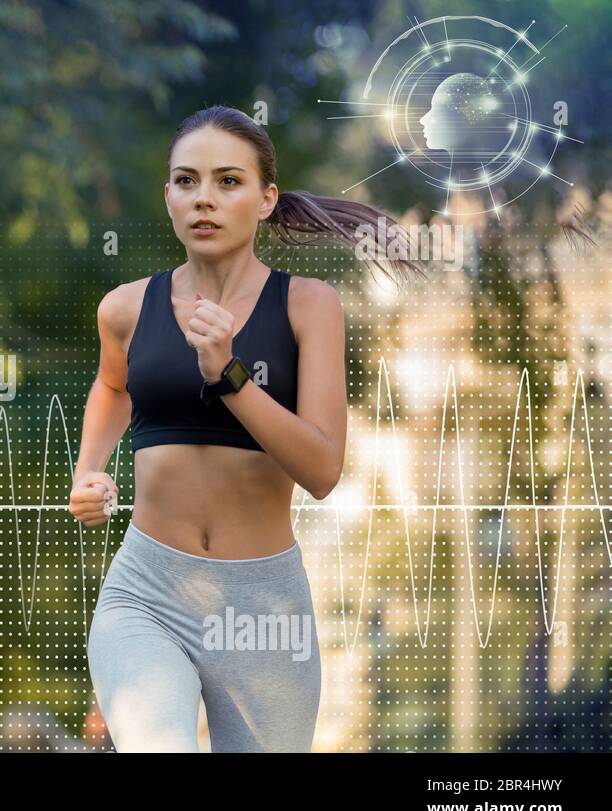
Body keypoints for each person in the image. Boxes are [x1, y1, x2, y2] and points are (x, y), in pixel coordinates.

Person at [71, 104, 422, 752]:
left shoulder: (308, 305)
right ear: (169, 196)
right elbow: (112, 386)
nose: (204, 198)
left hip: (263, 609)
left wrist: (228, 374)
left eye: (228, 181)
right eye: (186, 180)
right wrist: (89, 469)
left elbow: (321, 470)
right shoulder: (125, 308)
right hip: (146, 591)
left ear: (266, 199)